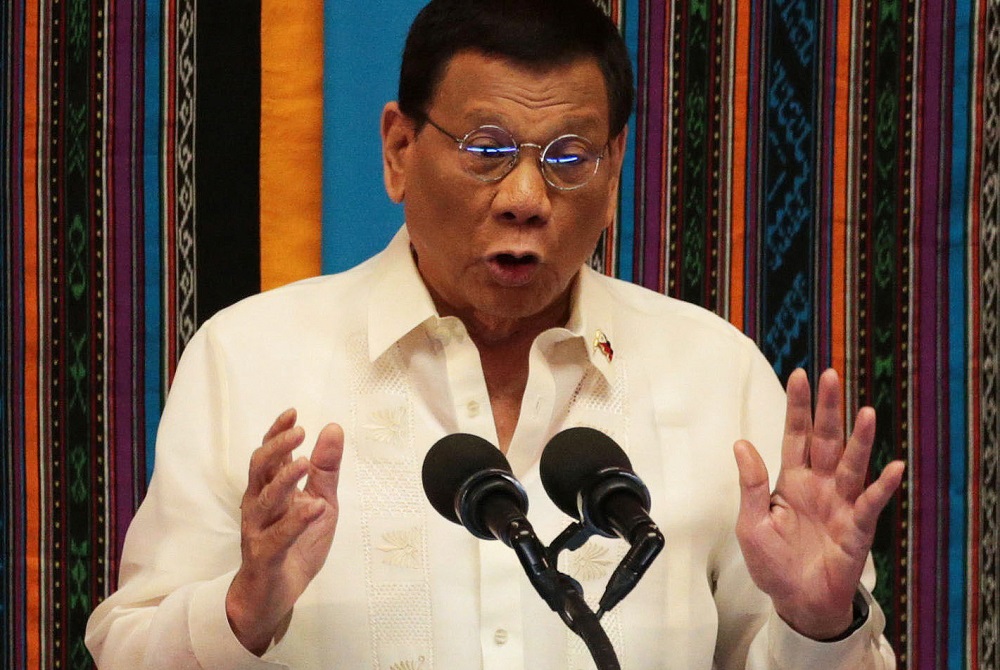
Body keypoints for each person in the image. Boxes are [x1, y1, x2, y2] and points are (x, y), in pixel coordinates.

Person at [86, 0, 905, 667]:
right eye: (486, 148)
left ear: (615, 171)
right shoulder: (250, 359)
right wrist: (241, 611)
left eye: (570, 155)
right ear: (400, 150)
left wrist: (818, 627)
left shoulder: (714, 372)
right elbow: (123, 650)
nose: (525, 195)